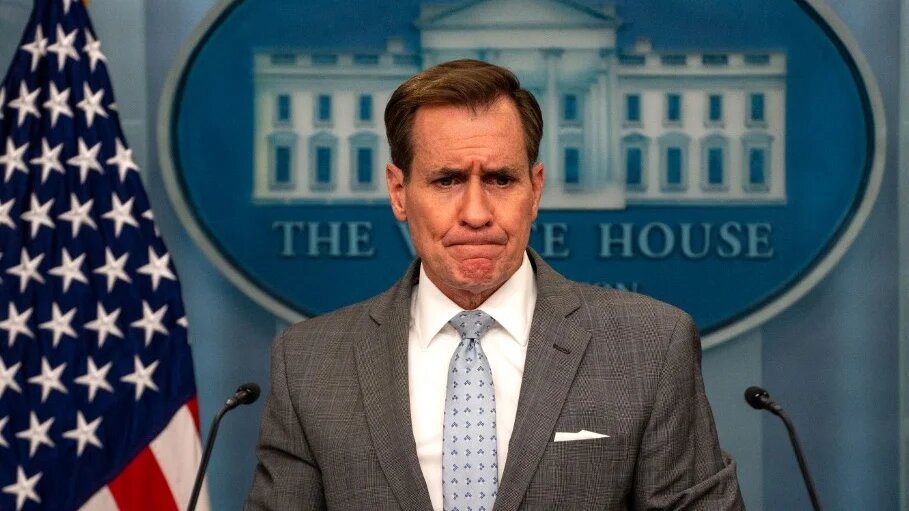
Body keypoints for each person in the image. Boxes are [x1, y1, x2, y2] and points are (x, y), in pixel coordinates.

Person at [246, 59, 743, 510]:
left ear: (536, 189)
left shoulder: (650, 346)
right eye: (447, 181)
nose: (477, 214)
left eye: (502, 180)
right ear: (399, 192)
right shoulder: (307, 363)